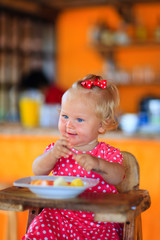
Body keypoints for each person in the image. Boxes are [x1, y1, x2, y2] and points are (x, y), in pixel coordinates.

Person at [22, 74, 125, 240]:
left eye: (79, 119)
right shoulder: (58, 149)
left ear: (101, 125)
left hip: (98, 221)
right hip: (60, 216)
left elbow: (118, 176)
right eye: (65, 116)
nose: (69, 125)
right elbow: (36, 169)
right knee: (40, 224)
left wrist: (99, 164)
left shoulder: (106, 153)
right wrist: (52, 155)